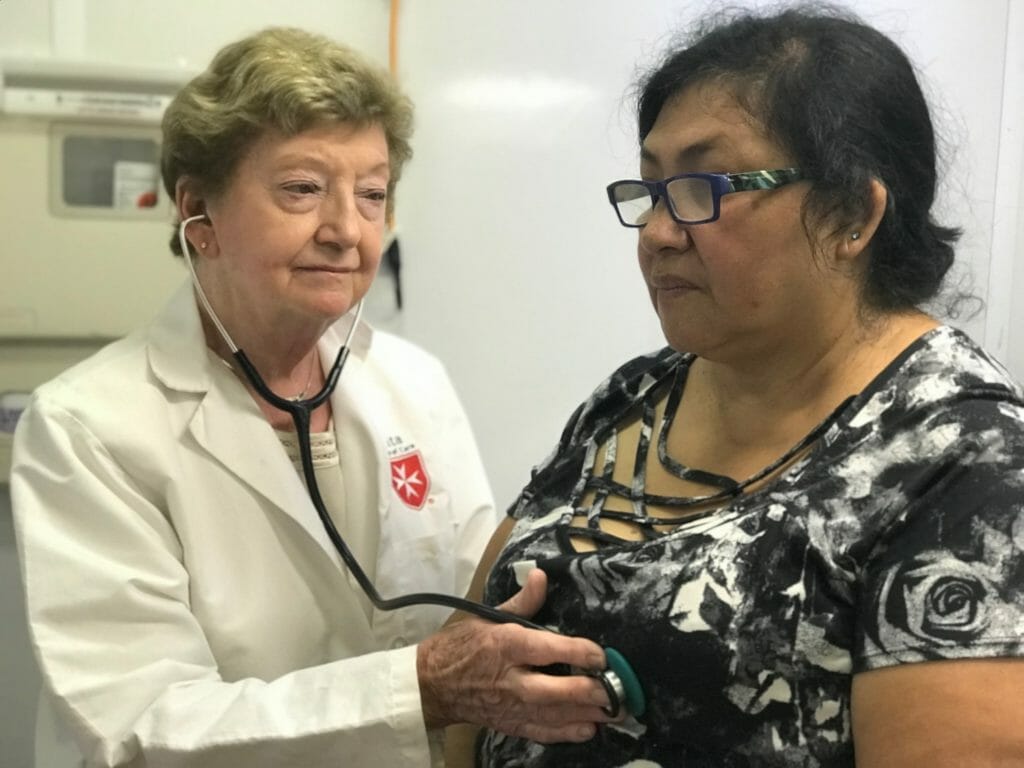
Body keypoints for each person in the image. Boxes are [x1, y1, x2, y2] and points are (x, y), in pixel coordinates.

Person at [11, 27, 614, 768]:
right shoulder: (89, 427)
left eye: (372, 195)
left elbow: (476, 597)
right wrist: (418, 688)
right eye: (301, 189)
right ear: (198, 211)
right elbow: (139, 728)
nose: (346, 231)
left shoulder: (414, 381)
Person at [462, 6, 1024, 767]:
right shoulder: (634, 397)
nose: (658, 232)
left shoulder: (969, 463)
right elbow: (475, 643)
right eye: (652, 189)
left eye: (702, 187)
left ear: (851, 213)